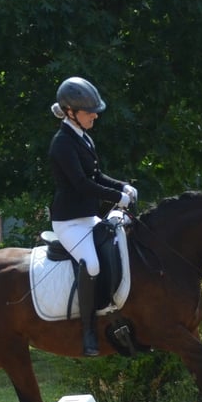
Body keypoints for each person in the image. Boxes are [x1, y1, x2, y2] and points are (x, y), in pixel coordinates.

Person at [48, 76, 138, 356]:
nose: (95, 116)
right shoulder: (62, 143)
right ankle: (88, 332)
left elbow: (96, 175)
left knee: (120, 247)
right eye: (90, 112)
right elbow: (82, 184)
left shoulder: (82, 137)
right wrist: (118, 198)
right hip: (69, 221)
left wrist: (122, 185)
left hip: (88, 217)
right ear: (71, 113)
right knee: (92, 265)